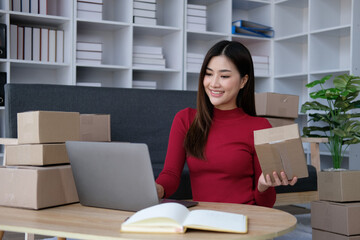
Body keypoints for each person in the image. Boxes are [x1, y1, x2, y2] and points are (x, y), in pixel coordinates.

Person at [155, 40, 297, 208]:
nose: (214, 83)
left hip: (245, 218)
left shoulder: (260, 126)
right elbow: (170, 174)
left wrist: (263, 186)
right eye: (209, 74)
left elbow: (266, 204)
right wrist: (156, 189)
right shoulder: (185, 119)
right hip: (204, 219)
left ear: (243, 81)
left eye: (224, 76)